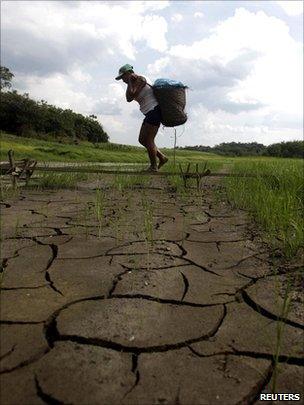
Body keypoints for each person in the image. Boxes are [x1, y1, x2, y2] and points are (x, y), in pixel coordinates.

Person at [115, 64, 168, 172]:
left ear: (128, 73)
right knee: (142, 140)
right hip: (149, 112)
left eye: (123, 77)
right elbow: (128, 98)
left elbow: (133, 94)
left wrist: (129, 81)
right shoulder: (132, 83)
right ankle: (162, 158)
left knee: (149, 140)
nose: (123, 80)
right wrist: (129, 82)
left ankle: (153, 167)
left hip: (154, 110)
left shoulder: (141, 79)